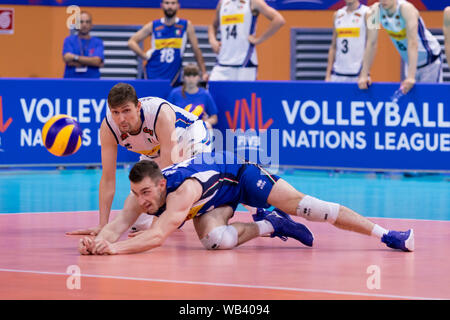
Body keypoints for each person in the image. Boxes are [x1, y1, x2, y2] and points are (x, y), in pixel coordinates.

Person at [78, 151, 415, 255]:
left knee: (313, 208)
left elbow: (157, 236)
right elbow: (116, 226)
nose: (141, 201)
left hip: (238, 176)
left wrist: (115, 251)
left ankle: (386, 235)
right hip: (216, 199)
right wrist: (98, 242)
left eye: (146, 194)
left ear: (161, 185)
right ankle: (272, 224)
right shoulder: (142, 193)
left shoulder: (182, 193)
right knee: (214, 241)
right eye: (137, 194)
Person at [67, 82, 212, 236]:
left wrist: (156, 228)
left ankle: (197, 209)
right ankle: (174, 215)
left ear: (138, 107)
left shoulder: (159, 114)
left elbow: (169, 172)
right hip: (154, 152)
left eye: (126, 110)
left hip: (189, 136)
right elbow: (108, 178)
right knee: (138, 222)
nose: (121, 118)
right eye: (115, 112)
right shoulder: (108, 128)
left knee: (189, 183)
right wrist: (103, 224)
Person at [358, 0, 442, 94]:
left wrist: (410, 77)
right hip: (410, 62)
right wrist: (364, 74)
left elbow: (412, 42)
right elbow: (371, 42)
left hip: (430, 61)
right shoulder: (374, 11)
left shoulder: (406, 9)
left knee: (429, 100)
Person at [127, 0, 208, 86]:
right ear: (162, 5)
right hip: (151, 73)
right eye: (167, 3)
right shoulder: (154, 25)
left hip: (173, 74)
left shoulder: (186, 25)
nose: (170, 6)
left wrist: (203, 72)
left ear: (178, 5)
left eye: (173, 3)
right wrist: (144, 56)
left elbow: (196, 50)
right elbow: (131, 42)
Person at [208, 0, 285, 81]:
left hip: (245, 64)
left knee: (242, 93)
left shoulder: (253, 2)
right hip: (222, 63)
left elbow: (279, 20)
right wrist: (212, 40)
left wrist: (259, 40)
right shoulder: (222, 3)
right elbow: (213, 26)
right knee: (213, 90)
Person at [325, 0, 370, 82]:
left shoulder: (369, 13)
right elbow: (333, 46)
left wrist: (364, 73)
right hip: (337, 74)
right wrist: (328, 75)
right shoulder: (337, 14)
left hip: (358, 75)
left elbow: (372, 45)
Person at [167, 64, 218, 129]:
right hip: (179, 129)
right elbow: (166, 115)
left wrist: (205, 122)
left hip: (198, 130)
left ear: (199, 77)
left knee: (208, 126)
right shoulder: (174, 93)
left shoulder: (205, 94)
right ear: (183, 77)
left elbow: (214, 118)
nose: (191, 79)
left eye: (194, 75)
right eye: (188, 75)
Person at [62, 11, 104, 78]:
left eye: (87, 22)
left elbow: (97, 61)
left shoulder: (98, 42)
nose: (84, 25)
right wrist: (90, 61)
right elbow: (67, 58)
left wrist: (75, 58)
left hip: (92, 82)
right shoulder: (69, 40)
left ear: (91, 25)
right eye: (81, 22)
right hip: (71, 82)